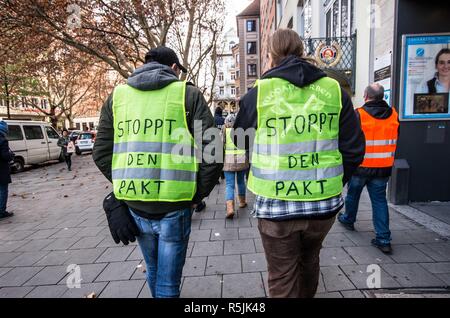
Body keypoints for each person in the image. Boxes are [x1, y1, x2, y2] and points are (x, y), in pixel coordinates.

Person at [233, 29, 365, 298]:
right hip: (323, 205)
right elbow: (353, 148)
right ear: (301, 51)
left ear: (270, 56)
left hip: (276, 207)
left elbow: (239, 139)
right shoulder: (334, 90)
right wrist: (334, 180)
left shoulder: (258, 93)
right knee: (309, 262)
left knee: (282, 275)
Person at [93, 46, 222, 298]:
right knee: (168, 284)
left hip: (135, 205)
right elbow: (214, 152)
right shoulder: (188, 94)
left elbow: (100, 152)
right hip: (175, 206)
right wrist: (197, 194)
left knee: (153, 271)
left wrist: (125, 183)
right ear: (174, 68)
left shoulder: (117, 96)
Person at [338, 83, 399, 254]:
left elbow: (350, 140)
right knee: (379, 201)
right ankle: (384, 239)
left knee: (353, 194)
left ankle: (348, 219)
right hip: (383, 167)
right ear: (382, 97)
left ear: (365, 96)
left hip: (361, 167)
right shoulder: (394, 114)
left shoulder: (359, 114)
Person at [222, 114, 249, 219]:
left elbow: (221, 143)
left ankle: (230, 209)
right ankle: (242, 202)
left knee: (229, 184)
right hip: (241, 159)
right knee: (241, 181)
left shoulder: (224, 130)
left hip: (228, 160)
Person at [0, 121, 15, 219]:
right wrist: (11, 155)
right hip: (1, 170)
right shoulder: (2, 140)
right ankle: (1, 211)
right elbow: (4, 155)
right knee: (3, 190)